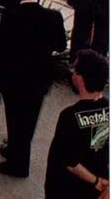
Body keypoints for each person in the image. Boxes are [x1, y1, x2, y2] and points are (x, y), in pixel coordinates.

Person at [0, 0, 68, 178]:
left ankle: (18, 165)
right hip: (39, 78)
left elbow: (0, 42)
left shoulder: (12, 16)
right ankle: (16, 151)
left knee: (16, 119)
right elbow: (60, 45)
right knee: (28, 121)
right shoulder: (53, 16)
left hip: (14, 78)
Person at [45, 50, 109, 199]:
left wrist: (96, 181)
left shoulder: (69, 116)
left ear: (80, 79)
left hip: (67, 189)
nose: (72, 72)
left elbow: (70, 162)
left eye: (74, 69)